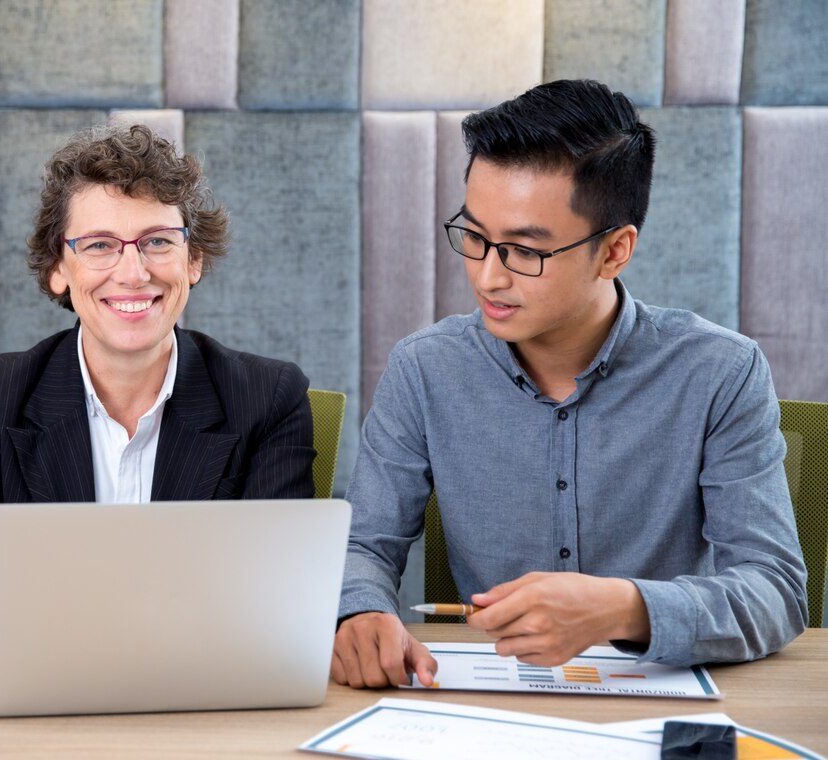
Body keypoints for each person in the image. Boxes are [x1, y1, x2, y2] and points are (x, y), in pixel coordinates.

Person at [0, 124, 318, 713]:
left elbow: (273, 591)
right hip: (41, 701)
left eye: (158, 241)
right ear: (60, 266)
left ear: (194, 261)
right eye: (101, 245)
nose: (133, 273)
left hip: (202, 701)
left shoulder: (267, 395)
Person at [335, 79, 808, 688]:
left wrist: (623, 607)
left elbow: (774, 588)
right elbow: (362, 548)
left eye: (525, 251)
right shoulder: (425, 369)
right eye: (474, 237)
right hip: (489, 700)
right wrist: (361, 609)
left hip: (665, 703)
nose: (487, 277)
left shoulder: (720, 372)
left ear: (614, 251)